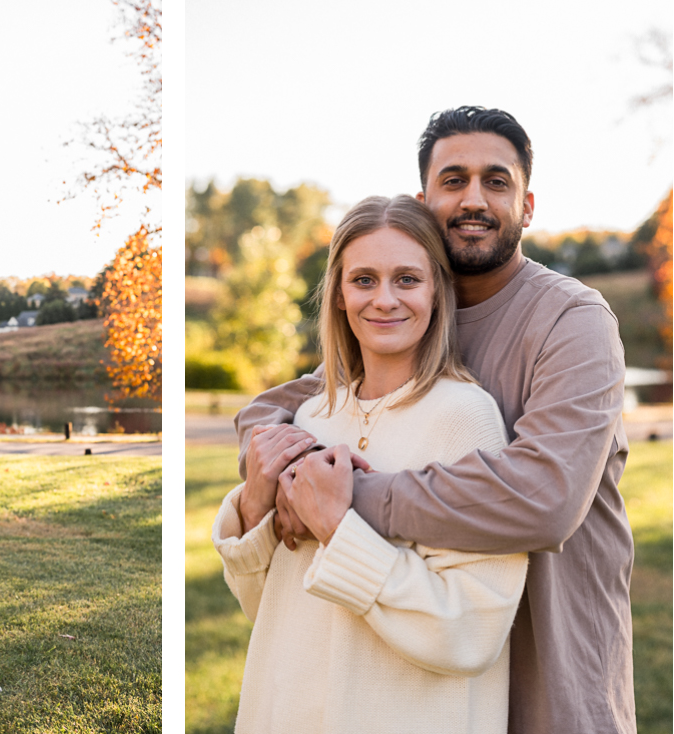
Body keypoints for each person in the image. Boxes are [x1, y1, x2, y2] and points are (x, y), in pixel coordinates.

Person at [235, 107, 635, 734]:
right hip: (421, 686)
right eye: (453, 180)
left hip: (551, 671)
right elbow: (282, 405)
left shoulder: (572, 321)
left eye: (496, 181)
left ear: (527, 205)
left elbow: (546, 498)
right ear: (425, 201)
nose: (473, 199)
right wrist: (282, 470)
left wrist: (344, 499)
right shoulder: (407, 320)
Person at [214, 194, 528, 734]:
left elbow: (473, 630)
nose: (384, 299)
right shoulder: (309, 416)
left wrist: (338, 529)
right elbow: (265, 608)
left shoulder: (464, 417)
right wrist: (252, 502)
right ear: (338, 293)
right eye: (364, 280)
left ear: (437, 291)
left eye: (406, 279)